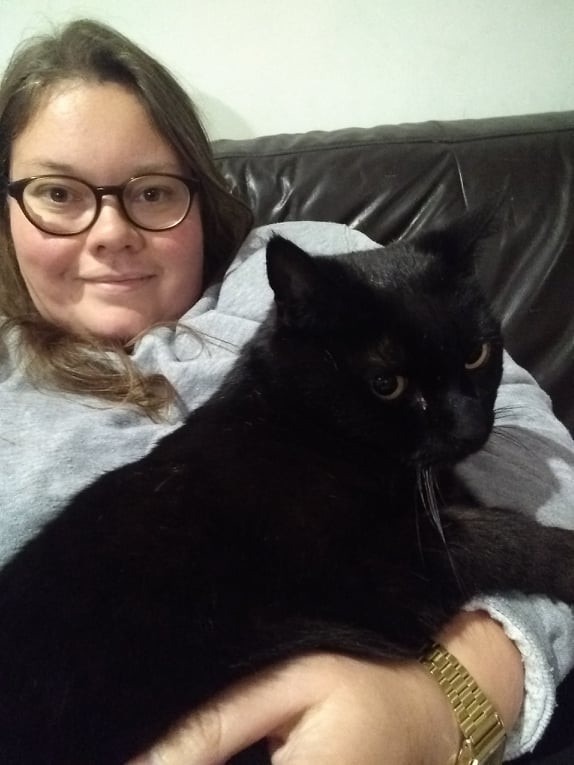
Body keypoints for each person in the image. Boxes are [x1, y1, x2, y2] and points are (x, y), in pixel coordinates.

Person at [0, 18, 573, 765]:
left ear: (198, 192)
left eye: (150, 190)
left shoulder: (317, 264)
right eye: (58, 192)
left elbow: (537, 461)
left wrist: (450, 701)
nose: (110, 232)